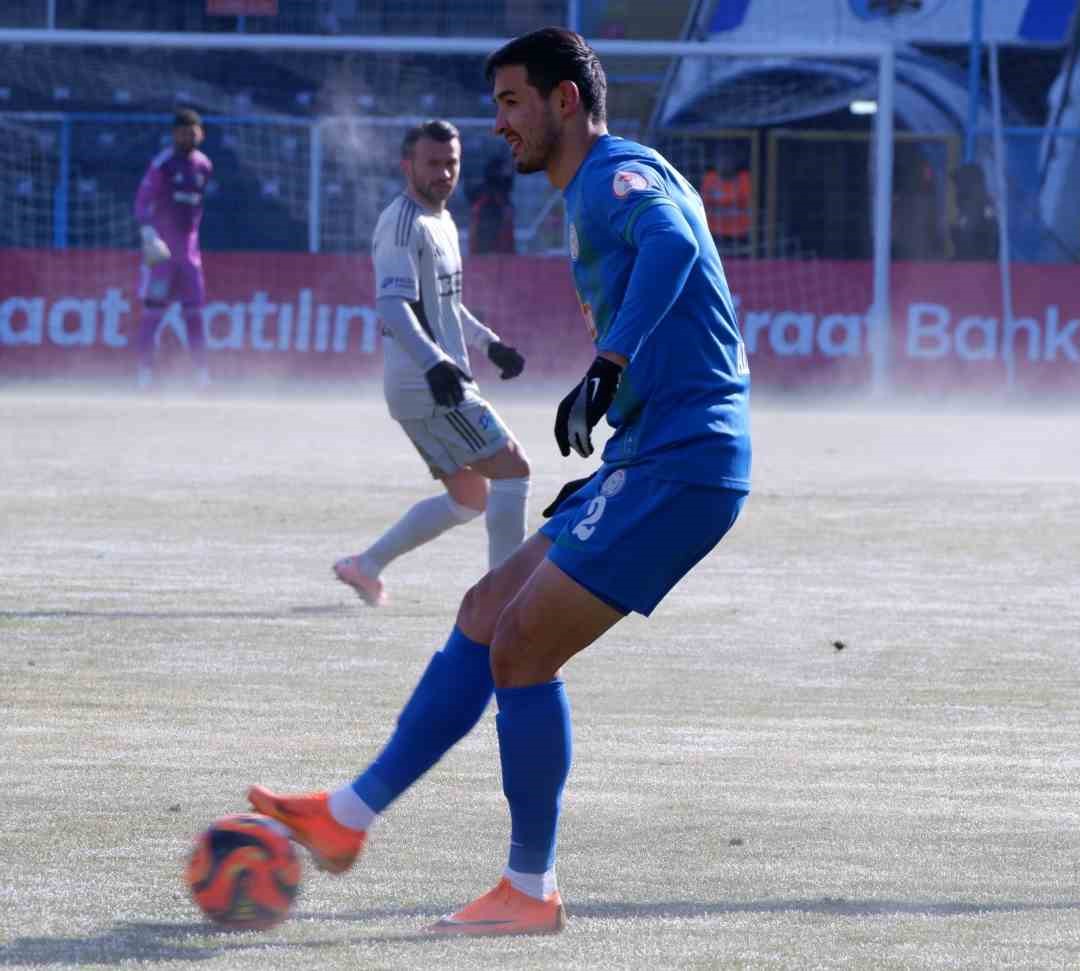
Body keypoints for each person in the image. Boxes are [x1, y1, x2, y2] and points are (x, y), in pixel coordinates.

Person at [249, 28, 751, 935]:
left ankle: (530, 886)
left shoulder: (610, 177)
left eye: (513, 102)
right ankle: (346, 816)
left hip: (687, 461)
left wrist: (607, 363)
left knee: (522, 647)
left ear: (566, 101)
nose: (499, 125)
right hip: (650, 452)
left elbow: (674, 246)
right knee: (486, 611)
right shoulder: (603, 182)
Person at [331, 119, 532, 607]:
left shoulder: (441, 221)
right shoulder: (402, 224)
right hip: (428, 383)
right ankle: (504, 601)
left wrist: (490, 345)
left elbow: (447, 303)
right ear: (408, 167)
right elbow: (393, 305)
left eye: (451, 164)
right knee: (513, 470)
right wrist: (435, 363)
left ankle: (366, 566)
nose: (443, 174)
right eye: (433, 164)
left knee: (470, 498)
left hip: (427, 380)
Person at [133, 108, 213, 389]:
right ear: (174, 134)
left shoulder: (204, 165)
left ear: (200, 134)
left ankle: (202, 376)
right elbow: (142, 201)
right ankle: (143, 375)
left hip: (190, 255)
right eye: (182, 132)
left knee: (195, 314)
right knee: (153, 313)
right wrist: (148, 231)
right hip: (163, 254)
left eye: (193, 132)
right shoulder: (163, 164)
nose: (188, 137)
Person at [468, 154, 517, 254]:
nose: (509, 173)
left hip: (500, 254)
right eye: (505, 170)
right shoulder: (487, 198)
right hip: (489, 255)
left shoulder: (501, 197)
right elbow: (484, 234)